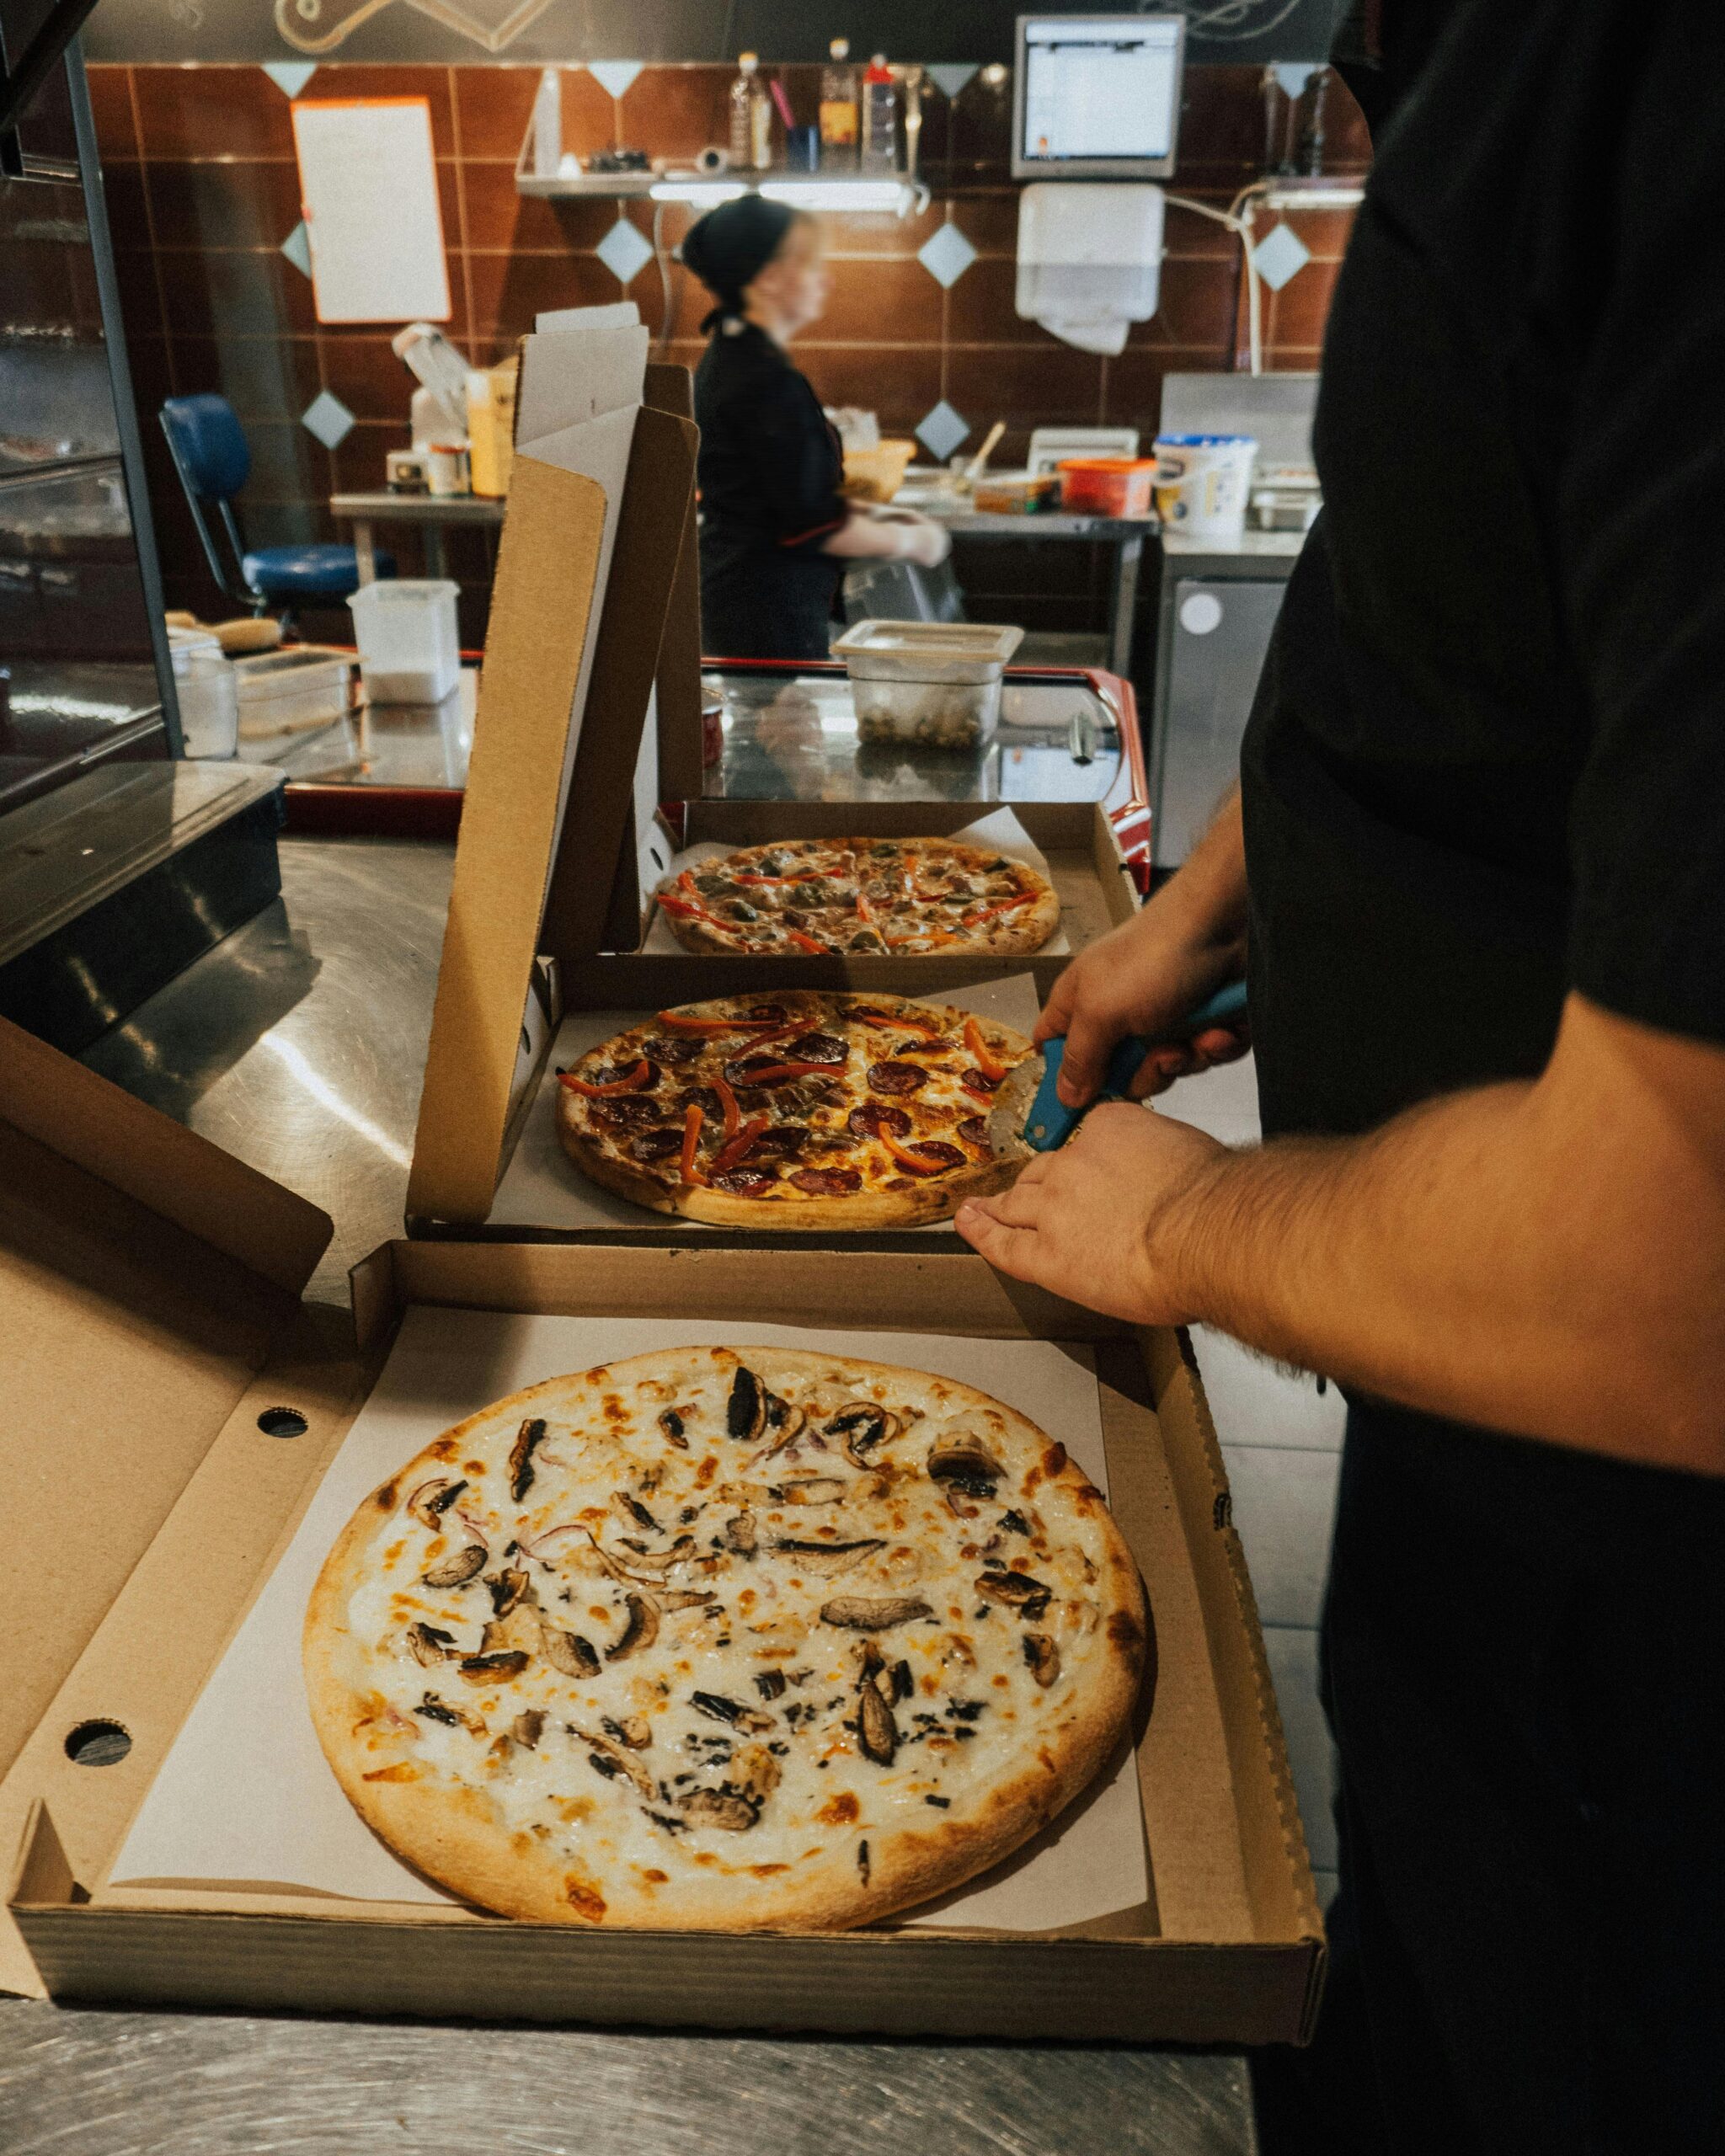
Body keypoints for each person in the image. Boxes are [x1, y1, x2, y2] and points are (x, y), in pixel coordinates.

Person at [956, 1, 1725, 2149]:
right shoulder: (1523, 62)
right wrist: (1236, 884)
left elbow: (1671, 1266)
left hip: (1649, 1609)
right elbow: (1453, 558)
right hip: (1476, 1459)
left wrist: (1180, 1217)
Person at [681, 196, 950, 661]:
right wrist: (915, 537)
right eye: (806, 265)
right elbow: (813, 524)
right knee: (770, 733)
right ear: (767, 279)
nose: (822, 278)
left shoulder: (736, 359)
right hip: (763, 621)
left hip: (750, 604)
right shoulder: (760, 379)